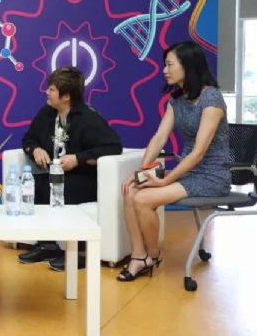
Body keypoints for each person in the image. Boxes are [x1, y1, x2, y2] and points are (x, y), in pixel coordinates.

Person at [118, 40, 230, 281]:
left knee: (143, 199)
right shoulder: (176, 100)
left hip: (211, 175)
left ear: (188, 66)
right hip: (187, 171)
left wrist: (164, 180)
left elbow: (199, 153)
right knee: (131, 190)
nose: (164, 70)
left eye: (169, 65)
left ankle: (153, 255)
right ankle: (139, 256)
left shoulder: (211, 98)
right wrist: (141, 172)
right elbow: (159, 138)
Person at [19, 66, 122, 270]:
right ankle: (47, 244)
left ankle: (81, 252)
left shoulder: (89, 118)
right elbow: (28, 138)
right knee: (35, 185)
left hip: (85, 179)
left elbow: (113, 147)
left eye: (52, 89)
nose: (46, 92)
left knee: (58, 188)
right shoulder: (47, 113)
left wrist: (78, 159)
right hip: (56, 174)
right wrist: (36, 149)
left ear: (66, 96)